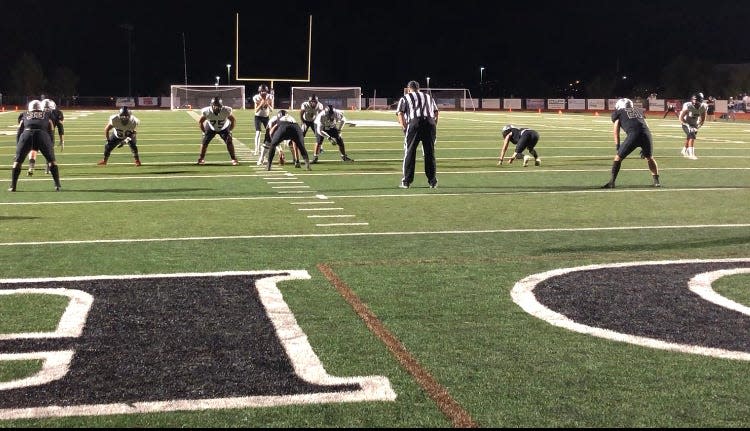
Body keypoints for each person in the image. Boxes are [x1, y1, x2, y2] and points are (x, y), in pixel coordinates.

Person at [601, 98, 660, 189]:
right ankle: (656, 182)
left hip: (634, 134)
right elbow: (646, 124)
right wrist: (644, 146)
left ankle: (611, 182)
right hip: (646, 134)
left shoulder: (619, 112)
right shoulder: (638, 111)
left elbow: (616, 130)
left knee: (618, 158)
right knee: (649, 158)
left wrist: (617, 145)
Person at [8, 100, 61, 192]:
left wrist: (18, 146)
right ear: (41, 108)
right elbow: (51, 127)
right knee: (52, 161)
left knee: (17, 161)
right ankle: (57, 185)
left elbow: (20, 129)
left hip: (27, 134)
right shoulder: (47, 114)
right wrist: (51, 142)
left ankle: (13, 186)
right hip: (42, 134)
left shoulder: (24, 114)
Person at [396, 80, 439, 189]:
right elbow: (436, 112)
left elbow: (400, 113)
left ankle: (406, 181)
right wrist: (433, 125)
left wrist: (404, 127)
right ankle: (432, 181)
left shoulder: (405, 98)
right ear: (418, 88)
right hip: (429, 123)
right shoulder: (428, 97)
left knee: (410, 152)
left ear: (408, 88)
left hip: (414, 123)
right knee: (429, 153)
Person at [196, 97, 238, 165]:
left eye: (219, 106)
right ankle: (201, 159)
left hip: (224, 127)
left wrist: (230, 130)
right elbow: (201, 121)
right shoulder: (206, 111)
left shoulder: (226, 110)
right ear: (212, 105)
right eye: (215, 105)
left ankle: (234, 159)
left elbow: (233, 120)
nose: (217, 107)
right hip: (211, 127)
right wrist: (204, 131)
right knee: (204, 143)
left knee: (229, 142)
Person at [27, 98, 64, 176]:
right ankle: (48, 168)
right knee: (49, 151)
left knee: (33, 149)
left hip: (35, 133)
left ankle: (31, 167)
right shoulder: (57, 113)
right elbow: (60, 127)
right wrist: (62, 140)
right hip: (48, 134)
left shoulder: (37, 112)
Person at [678, 92, 707, 160]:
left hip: (694, 124)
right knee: (692, 135)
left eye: (696, 100)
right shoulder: (688, 106)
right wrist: (689, 126)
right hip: (686, 123)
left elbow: (702, 120)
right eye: (694, 99)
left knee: (689, 137)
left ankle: (684, 150)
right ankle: (691, 154)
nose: (695, 101)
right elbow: (681, 118)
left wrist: (697, 127)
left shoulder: (703, 107)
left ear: (701, 100)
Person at [298, 95, 324, 166]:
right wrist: (302, 120)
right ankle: (300, 146)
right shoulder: (305, 104)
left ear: (317, 102)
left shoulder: (320, 105)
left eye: (314, 102)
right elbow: (301, 112)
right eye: (312, 102)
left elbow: (322, 114)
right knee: (301, 135)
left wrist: (319, 122)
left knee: (318, 134)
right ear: (309, 101)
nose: (313, 103)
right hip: (305, 120)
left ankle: (320, 147)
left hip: (314, 121)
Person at [252, 84, 274, 158]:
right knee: (258, 132)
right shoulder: (256, 97)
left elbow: (271, 110)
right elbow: (255, 111)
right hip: (258, 116)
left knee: (271, 132)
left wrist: (268, 104)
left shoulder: (270, 97)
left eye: (264, 91)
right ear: (259, 91)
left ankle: (271, 147)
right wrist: (261, 104)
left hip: (266, 117)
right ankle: (256, 149)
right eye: (262, 91)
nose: (263, 93)